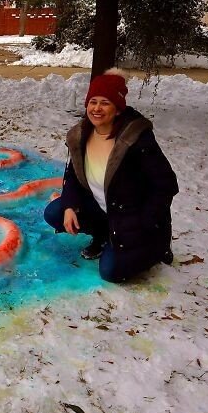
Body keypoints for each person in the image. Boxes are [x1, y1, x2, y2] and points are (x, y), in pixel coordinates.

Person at [44, 68, 178, 282]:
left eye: (105, 103)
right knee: (54, 212)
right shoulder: (82, 135)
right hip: (104, 209)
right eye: (93, 102)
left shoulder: (136, 139)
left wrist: (145, 223)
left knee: (110, 272)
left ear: (117, 109)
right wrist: (69, 206)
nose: (97, 108)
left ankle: (152, 250)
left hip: (133, 217)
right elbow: (73, 175)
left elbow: (165, 184)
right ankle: (104, 234)